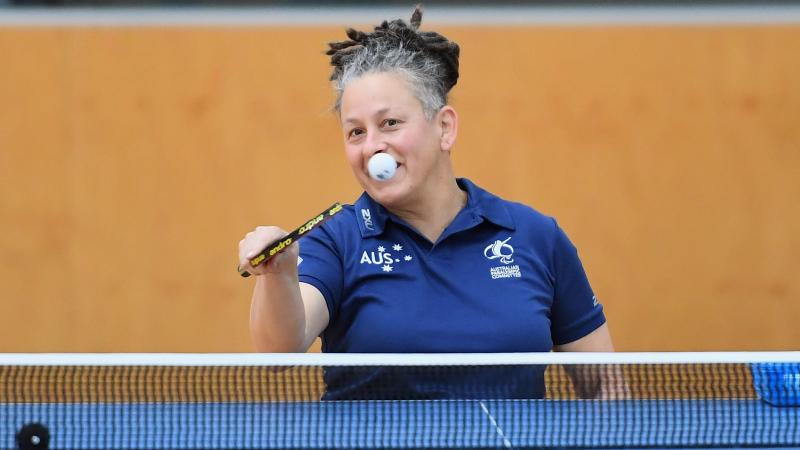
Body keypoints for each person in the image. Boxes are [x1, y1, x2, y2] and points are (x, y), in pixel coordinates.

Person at [239, 6, 615, 400]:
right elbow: (277, 353)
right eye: (355, 132)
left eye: (390, 123)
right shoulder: (338, 241)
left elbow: (604, 386)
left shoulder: (535, 237)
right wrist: (279, 275)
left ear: (444, 127)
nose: (372, 147)